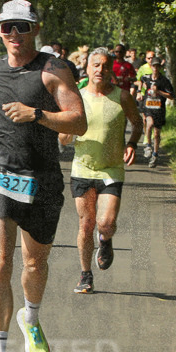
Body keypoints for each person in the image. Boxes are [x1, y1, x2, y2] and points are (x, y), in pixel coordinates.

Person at [0, 0, 87, 352]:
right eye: (7, 28)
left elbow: (80, 121)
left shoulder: (54, 71)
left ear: (35, 29)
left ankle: (31, 319)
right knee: (0, 262)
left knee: (34, 265)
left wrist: (37, 114)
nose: (14, 35)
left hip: (42, 178)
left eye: (22, 27)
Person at [60, 48, 143, 294]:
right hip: (83, 168)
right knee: (86, 225)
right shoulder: (77, 97)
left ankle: (105, 240)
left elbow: (137, 123)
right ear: (87, 68)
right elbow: (63, 137)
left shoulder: (122, 97)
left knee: (105, 222)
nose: (100, 70)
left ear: (111, 70)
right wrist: (65, 133)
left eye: (105, 66)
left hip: (111, 169)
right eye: (96, 65)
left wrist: (132, 144)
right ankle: (85, 275)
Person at [140, 57, 174, 167]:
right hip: (148, 107)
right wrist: (140, 92)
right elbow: (140, 81)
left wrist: (158, 91)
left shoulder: (164, 81)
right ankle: (148, 146)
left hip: (159, 109)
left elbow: (171, 96)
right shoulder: (146, 78)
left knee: (157, 133)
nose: (155, 68)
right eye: (153, 66)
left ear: (160, 67)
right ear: (151, 66)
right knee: (149, 124)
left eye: (157, 66)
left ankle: (155, 154)